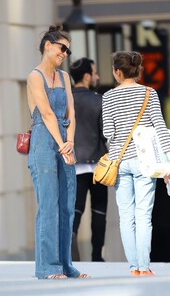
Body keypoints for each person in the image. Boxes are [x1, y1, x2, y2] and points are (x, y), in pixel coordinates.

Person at [102, 51, 170, 276]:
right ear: (137, 71)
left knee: (126, 216)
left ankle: (134, 267)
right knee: (143, 214)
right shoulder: (149, 93)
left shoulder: (108, 97)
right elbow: (160, 127)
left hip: (119, 161)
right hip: (145, 161)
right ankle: (144, 267)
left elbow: (108, 132)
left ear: (117, 72)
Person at [27, 24, 89, 279]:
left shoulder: (64, 77)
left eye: (68, 50)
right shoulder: (34, 76)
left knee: (66, 205)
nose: (65, 53)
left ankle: (66, 265)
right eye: (62, 48)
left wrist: (70, 142)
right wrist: (62, 143)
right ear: (48, 46)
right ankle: (47, 267)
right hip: (43, 141)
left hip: (65, 142)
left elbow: (71, 113)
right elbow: (47, 113)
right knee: (49, 205)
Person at [69, 58, 108, 262]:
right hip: (99, 165)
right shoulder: (99, 100)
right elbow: (107, 133)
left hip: (74, 165)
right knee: (99, 211)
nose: (97, 76)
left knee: (75, 209)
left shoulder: (66, 100)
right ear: (86, 76)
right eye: (94, 72)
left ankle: (71, 246)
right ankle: (97, 257)